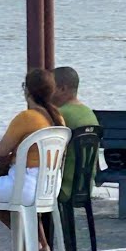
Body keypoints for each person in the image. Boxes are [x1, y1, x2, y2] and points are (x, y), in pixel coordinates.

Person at [0, 68, 65, 251]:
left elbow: (0, 152)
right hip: (49, 187)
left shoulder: (27, 117)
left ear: (27, 90)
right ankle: (38, 244)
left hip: (25, 185)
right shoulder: (57, 117)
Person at [51, 66, 99, 202]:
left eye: (50, 88)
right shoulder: (88, 113)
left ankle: (32, 224)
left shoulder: (60, 115)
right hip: (83, 186)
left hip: (62, 187)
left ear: (62, 89)